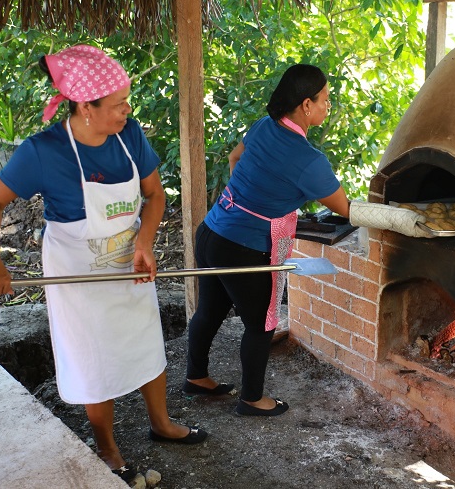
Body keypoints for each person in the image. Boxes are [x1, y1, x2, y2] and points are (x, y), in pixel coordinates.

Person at [0, 44, 206, 484]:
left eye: (126, 102)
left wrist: (145, 241)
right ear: (85, 107)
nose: (127, 111)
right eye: (118, 104)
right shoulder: (44, 151)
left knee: (145, 342)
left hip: (130, 262)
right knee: (93, 358)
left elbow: (154, 196)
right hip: (77, 272)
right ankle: (109, 450)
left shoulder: (130, 135)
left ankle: (161, 424)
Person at [183, 64, 428, 417]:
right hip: (245, 247)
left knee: (210, 309)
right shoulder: (309, 161)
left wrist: (250, 198)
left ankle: (196, 377)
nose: (329, 105)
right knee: (262, 323)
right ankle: (252, 399)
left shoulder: (265, 126)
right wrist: (399, 217)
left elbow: (236, 159)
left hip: (213, 230)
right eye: (325, 99)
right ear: (306, 105)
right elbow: (344, 207)